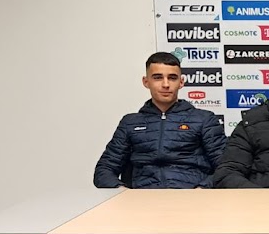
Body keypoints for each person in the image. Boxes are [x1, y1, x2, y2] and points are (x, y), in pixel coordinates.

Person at [94, 52, 225, 189]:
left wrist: (202, 190)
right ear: (146, 82)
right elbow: (104, 170)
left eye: (172, 78)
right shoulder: (130, 123)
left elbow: (226, 167)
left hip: (191, 196)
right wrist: (123, 192)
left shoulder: (204, 119)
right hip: (142, 198)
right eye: (158, 78)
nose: (166, 84)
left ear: (181, 82)